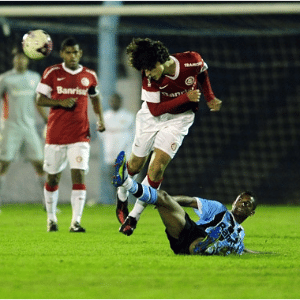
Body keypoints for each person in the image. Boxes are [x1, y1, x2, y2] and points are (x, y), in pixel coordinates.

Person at [116, 37, 223, 235]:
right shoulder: (148, 76)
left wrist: (209, 97)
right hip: (151, 117)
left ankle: (134, 216)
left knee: (156, 169)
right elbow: (156, 110)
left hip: (179, 119)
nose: (147, 73)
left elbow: (202, 72)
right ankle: (121, 194)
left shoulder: (192, 60)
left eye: (149, 69)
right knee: (135, 165)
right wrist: (186, 97)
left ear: (160, 61)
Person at [113, 151, 259, 255]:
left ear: (251, 213)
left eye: (246, 204)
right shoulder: (218, 209)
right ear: (234, 202)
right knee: (162, 195)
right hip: (190, 231)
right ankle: (126, 182)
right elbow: (190, 201)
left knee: (205, 245)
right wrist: (169, 202)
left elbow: (242, 248)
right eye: (240, 200)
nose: (241, 204)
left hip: (197, 243)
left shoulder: (240, 233)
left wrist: (263, 253)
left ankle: (206, 247)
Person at [36, 37, 105, 232]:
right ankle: (51, 219)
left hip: (80, 135)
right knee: (52, 179)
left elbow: (95, 97)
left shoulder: (89, 75)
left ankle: (75, 222)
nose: (72, 56)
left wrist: (100, 118)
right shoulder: (52, 73)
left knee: (79, 175)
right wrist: (60, 102)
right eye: (68, 52)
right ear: (62, 54)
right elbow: (40, 100)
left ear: (80, 53)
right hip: (55, 135)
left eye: (75, 52)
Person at [0, 51, 48, 204]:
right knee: (3, 164)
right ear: (14, 60)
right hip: (10, 127)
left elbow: (38, 101)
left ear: (27, 61)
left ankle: (47, 203)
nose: (20, 61)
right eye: (18, 58)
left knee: (40, 164)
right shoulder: (5, 79)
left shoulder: (34, 77)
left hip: (29, 128)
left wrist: (48, 120)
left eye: (23, 58)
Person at [100, 93, 135, 204]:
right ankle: (113, 199)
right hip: (110, 148)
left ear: (120, 101)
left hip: (125, 148)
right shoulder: (105, 116)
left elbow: (133, 133)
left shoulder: (128, 116)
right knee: (112, 174)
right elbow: (102, 134)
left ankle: (125, 198)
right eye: (112, 100)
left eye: (116, 100)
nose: (114, 102)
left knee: (125, 174)